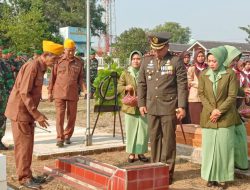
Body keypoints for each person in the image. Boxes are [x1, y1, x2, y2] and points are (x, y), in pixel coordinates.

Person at [4, 40, 64, 189]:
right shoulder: (32, 66)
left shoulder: (40, 67)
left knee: (28, 146)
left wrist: (35, 114)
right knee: (23, 147)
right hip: (20, 112)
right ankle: (24, 178)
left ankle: (27, 175)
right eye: (54, 59)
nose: (55, 63)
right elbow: (24, 93)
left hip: (26, 113)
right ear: (45, 55)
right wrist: (37, 115)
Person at [137, 32, 188, 184]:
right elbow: (141, 83)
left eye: (159, 49)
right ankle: (155, 169)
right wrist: (141, 103)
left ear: (167, 46)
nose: (156, 52)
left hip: (169, 107)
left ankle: (167, 173)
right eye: (154, 49)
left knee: (168, 141)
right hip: (151, 106)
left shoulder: (175, 61)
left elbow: (182, 85)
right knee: (154, 139)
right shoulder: (146, 61)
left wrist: (182, 106)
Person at [198, 46, 239, 189]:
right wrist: (212, 111)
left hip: (225, 118)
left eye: (214, 61)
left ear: (221, 60)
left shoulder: (230, 74)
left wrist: (219, 111)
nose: (211, 64)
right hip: (208, 118)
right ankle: (210, 177)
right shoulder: (203, 74)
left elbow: (232, 95)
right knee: (209, 149)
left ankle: (223, 178)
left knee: (224, 149)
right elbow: (201, 94)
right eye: (209, 61)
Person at [48, 38, 85, 147]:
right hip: (59, 92)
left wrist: (84, 89)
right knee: (60, 115)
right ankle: (60, 138)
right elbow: (52, 78)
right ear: (64, 50)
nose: (70, 52)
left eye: (72, 50)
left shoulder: (79, 62)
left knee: (72, 116)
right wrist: (50, 92)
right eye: (68, 50)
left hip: (73, 93)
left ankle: (67, 135)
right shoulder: (58, 61)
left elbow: (81, 78)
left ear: (75, 49)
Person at [118, 50, 149, 163]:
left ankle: (141, 152)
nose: (136, 61)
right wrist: (126, 88)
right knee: (131, 131)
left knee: (143, 131)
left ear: (142, 60)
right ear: (130, 60)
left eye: (138, 59)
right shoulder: (126, 73)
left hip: (143, 106)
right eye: (134, 59)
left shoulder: (146, 72)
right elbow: (119, 87)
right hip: (130, 107)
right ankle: (131, 153)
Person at [223, 45, 249, 171]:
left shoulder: (231, 73)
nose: (234, 63)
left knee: (241, 134)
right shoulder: (220, 73)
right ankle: (230, 164)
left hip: (233, 111)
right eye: (232, 60)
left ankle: (240, 163)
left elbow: (236, 90)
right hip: (224, 112)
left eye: (235, 60)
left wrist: (244, 91)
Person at [187, 49, 207, 125]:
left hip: (206, 97)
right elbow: (189, 81)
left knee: (205, 120)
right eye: (198, 56)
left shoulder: (208, 68)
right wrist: (201, 84)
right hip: (194, 97)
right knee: (195, 121)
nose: (201, 58)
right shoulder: (192, 68)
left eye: (202, 56)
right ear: (195, 57)